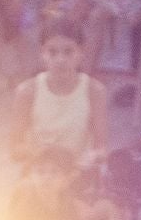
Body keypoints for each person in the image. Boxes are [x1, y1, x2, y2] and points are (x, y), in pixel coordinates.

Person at [10, 19, 108, 164]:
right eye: (52, 52)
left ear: (81, 52)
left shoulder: (94, 91)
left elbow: (101, 148)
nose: (60, 59)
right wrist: (38, 154)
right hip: (40, 170)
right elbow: (15, 147)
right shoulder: (27, 91)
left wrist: (91, 157)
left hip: (78, 169)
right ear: (42, 53)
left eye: (68, 52)